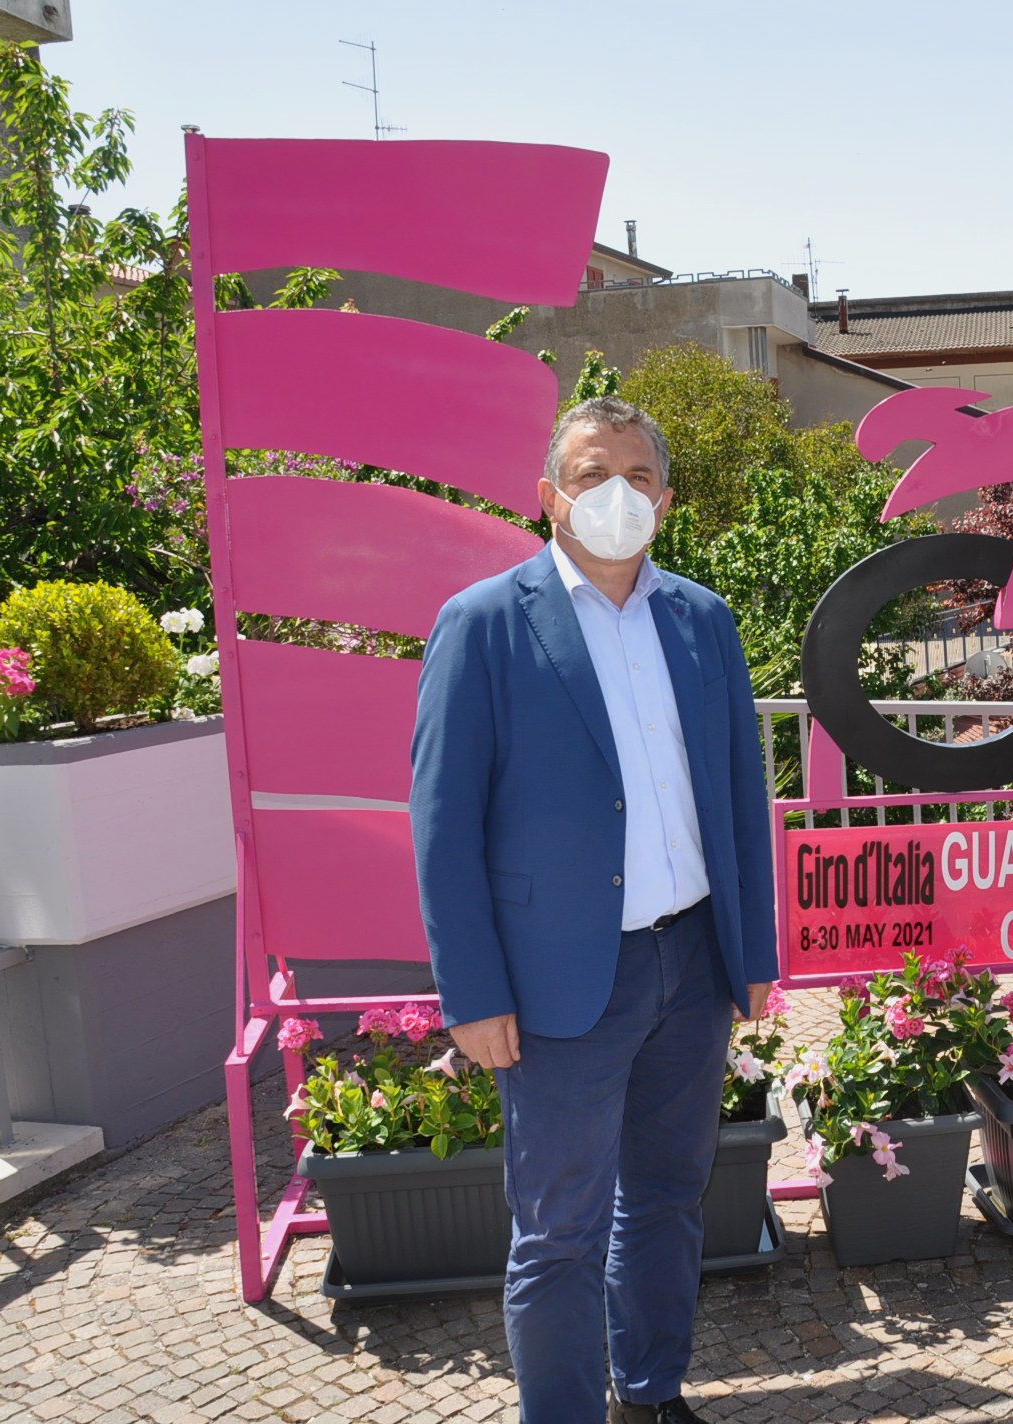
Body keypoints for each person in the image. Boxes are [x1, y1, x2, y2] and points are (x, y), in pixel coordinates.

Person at [411, 397, 776, 1424]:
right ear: (548, 495)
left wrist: (752, 952)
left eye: (637, 474)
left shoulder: (701, 618)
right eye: (588, 472)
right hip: (563, 980)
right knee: (559, 1231)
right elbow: (442, 825)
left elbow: (740, 797)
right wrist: (472, 992)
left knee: (666, 1198)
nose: (614, 492)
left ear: (666, 494)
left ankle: (651, 1394)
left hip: (693, 963)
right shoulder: (483, 622)